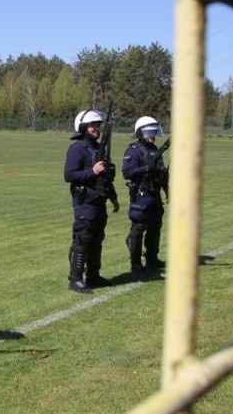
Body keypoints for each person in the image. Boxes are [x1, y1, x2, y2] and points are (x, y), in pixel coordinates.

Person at [63, 109, 120, 294]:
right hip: (85, 202)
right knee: (83, 238)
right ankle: (75, 279)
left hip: (99, 201)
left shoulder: (98, 149)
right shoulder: (77, 149)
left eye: (98, 125)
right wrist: (92, 171)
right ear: (83, 127)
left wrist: (113, 198)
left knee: (97, 239)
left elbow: (105, 178)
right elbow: (69, 175)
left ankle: (93, 276)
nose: (97, 128)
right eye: (93, 125)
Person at [121, 116, 168, 273]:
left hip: (155, 194)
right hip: (141, 194)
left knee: (155, 226)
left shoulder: (155, 150)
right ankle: (135, 262)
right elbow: (127, 172)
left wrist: (167, 190)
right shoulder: (134, 150)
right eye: (148, 132)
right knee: (139, 227)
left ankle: (152, 258)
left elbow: (161, 172)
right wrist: (146, 169)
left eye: (154, 132)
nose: (152, 135)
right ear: (140, 133)